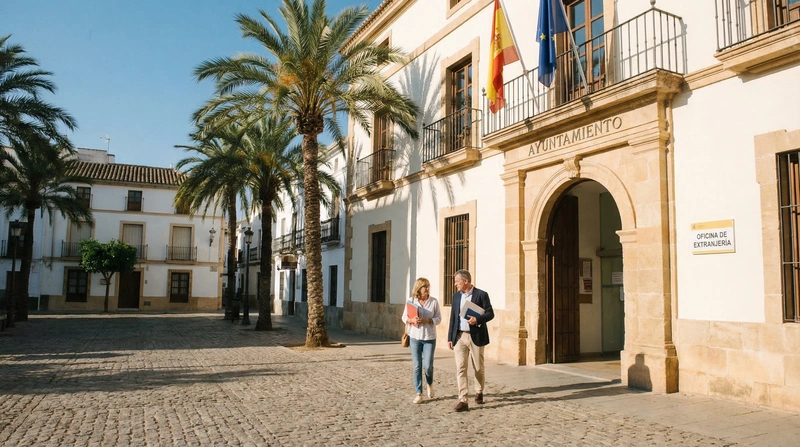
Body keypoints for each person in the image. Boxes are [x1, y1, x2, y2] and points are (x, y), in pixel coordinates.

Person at [447, 269, 494, 412]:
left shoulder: (481, 295)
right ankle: (463, 400)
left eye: (457, 281)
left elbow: (490, 313)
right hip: (460, 336)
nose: (455, 284)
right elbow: (453, 317)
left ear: (465, 281)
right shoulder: (456, 297)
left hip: (476, 335)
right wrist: (450, 337)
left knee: (478, 367)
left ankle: (479, 391)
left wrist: (477, 319)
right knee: (461, 367)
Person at [401, 277, 442, 404]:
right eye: (425, 287)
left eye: (429, 287)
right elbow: (404, 317)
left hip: (429, 337)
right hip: (415, 337)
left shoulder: (433, 302)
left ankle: (429, 383)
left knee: (428, 365)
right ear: (419, 288)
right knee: (417, 366)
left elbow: (439, 319)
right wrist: (412, 320)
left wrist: (428, 321)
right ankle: (419, 393)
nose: (428, 289)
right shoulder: (411, 301)